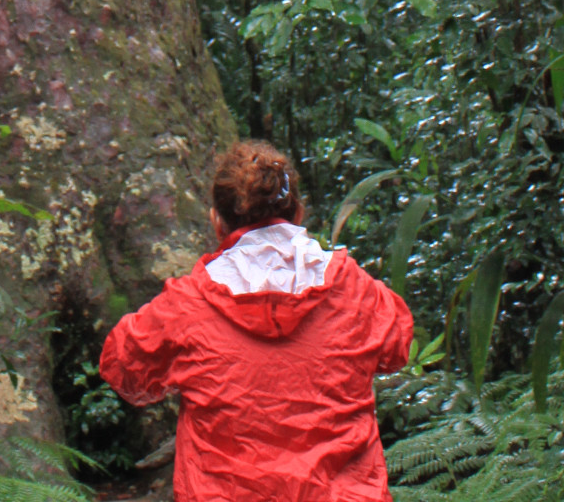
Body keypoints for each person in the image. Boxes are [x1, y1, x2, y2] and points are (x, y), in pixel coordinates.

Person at [99, 141, 413, 502]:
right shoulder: (356, 292)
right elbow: (397, 347)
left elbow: (122, 367)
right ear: (298, 212)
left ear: (217, 220)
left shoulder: (186, 307)